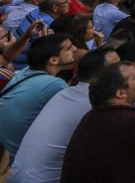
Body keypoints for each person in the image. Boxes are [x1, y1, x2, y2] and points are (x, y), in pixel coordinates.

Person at [9, 46, 118, 183]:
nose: (124, 69)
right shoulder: (94, 105)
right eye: (117, 67)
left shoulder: (67, 93)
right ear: (97, 77)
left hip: (17, 175)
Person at [0, 33, 76, 157]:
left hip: (4, 150)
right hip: (14, 158)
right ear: (54, 60)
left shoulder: (26, 71)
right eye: (68, 48)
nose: (74, 50)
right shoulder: (55, 85)